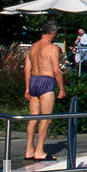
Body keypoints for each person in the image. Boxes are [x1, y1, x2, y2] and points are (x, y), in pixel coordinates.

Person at [22, 21, 66, 161]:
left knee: (33, 117)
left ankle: (29, 149)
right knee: (46, 118)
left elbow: (26, 69)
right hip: (46, 81)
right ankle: (39, 151)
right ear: (53, 32)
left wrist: (27, 88)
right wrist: (61, 88)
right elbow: (56, 70)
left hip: (34, 81)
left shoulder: (32, 48)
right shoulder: (52, 48)